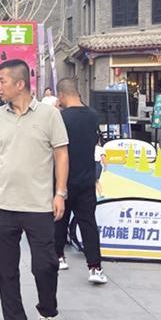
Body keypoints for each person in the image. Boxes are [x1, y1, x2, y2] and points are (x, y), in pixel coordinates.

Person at [0, 59, 69, 320]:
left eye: (2, 81)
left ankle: (47, 315)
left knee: (45, 265)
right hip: (3, 205)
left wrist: (60, 192)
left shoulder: (49, 115)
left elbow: (61, 154)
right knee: (6, 268)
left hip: (39, 205)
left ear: (20, 84)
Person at [54, 78, 107, 284]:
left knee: (59, 219)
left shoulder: (60, 118)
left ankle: (59, 256)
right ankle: (95, 267)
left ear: (61, 96)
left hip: (63, 179)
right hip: (87, 178)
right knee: (88, 223)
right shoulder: (93, 115)